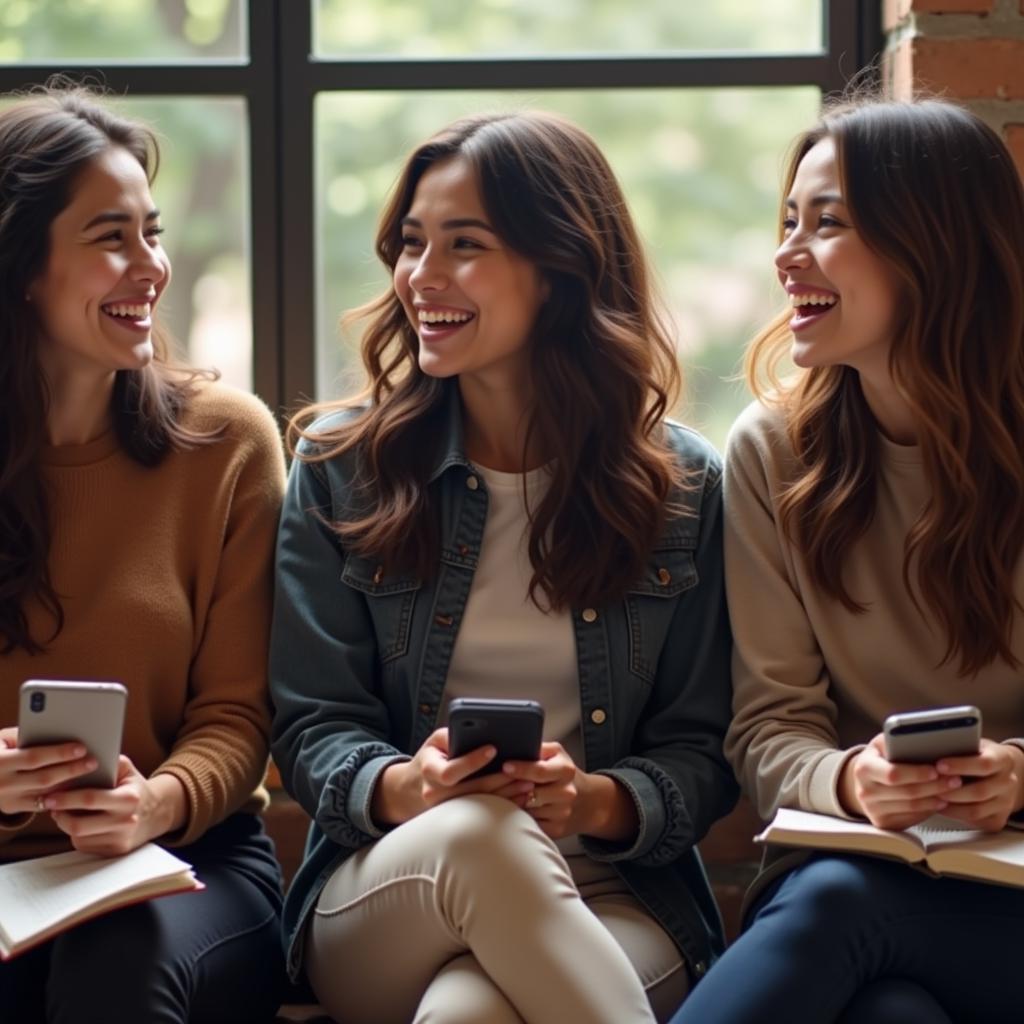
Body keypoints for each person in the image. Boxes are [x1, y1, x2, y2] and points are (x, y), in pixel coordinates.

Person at [269, 109, 737, 1024]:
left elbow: (702, 750)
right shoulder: (340, 469)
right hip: (389, 884)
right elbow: (312, 726)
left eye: (464, 245)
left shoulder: (682, 482)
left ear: (560, 271)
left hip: (614, 896)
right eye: (411, 243)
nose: (420, 277)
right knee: (484, 834)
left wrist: (592, 802)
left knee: (467, 1017)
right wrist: (413, 785)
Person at [671, 96, 1024, 1024]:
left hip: (997, 897)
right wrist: (851, 781)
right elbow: (768, 728)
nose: (788, 253)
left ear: (934, 243)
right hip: (861, 862)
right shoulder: (773, 452)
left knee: (838, 913)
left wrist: (1017, 773)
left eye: (828, 223)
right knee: (890, 1015)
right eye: (788, 222)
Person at [0, 84, 287, 1023]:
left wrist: (156, 803)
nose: (150, 267)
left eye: (152, 233)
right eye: (110, 237)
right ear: (22, 266)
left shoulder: (227, 443)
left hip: (187, 863)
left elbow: (240, 718)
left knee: (113, 977)